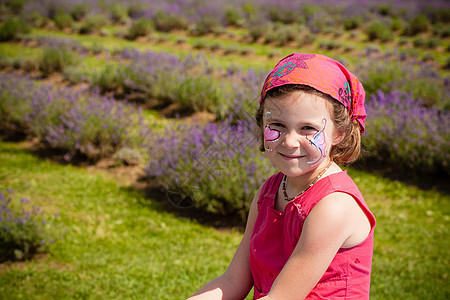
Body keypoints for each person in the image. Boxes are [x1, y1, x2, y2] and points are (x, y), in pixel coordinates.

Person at [187, 53, 376, 300]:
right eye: (277, 125)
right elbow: (233, 280)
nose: (289, 141)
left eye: (308, 128)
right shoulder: (269, 191)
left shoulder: (333, 206)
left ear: (339, 132)